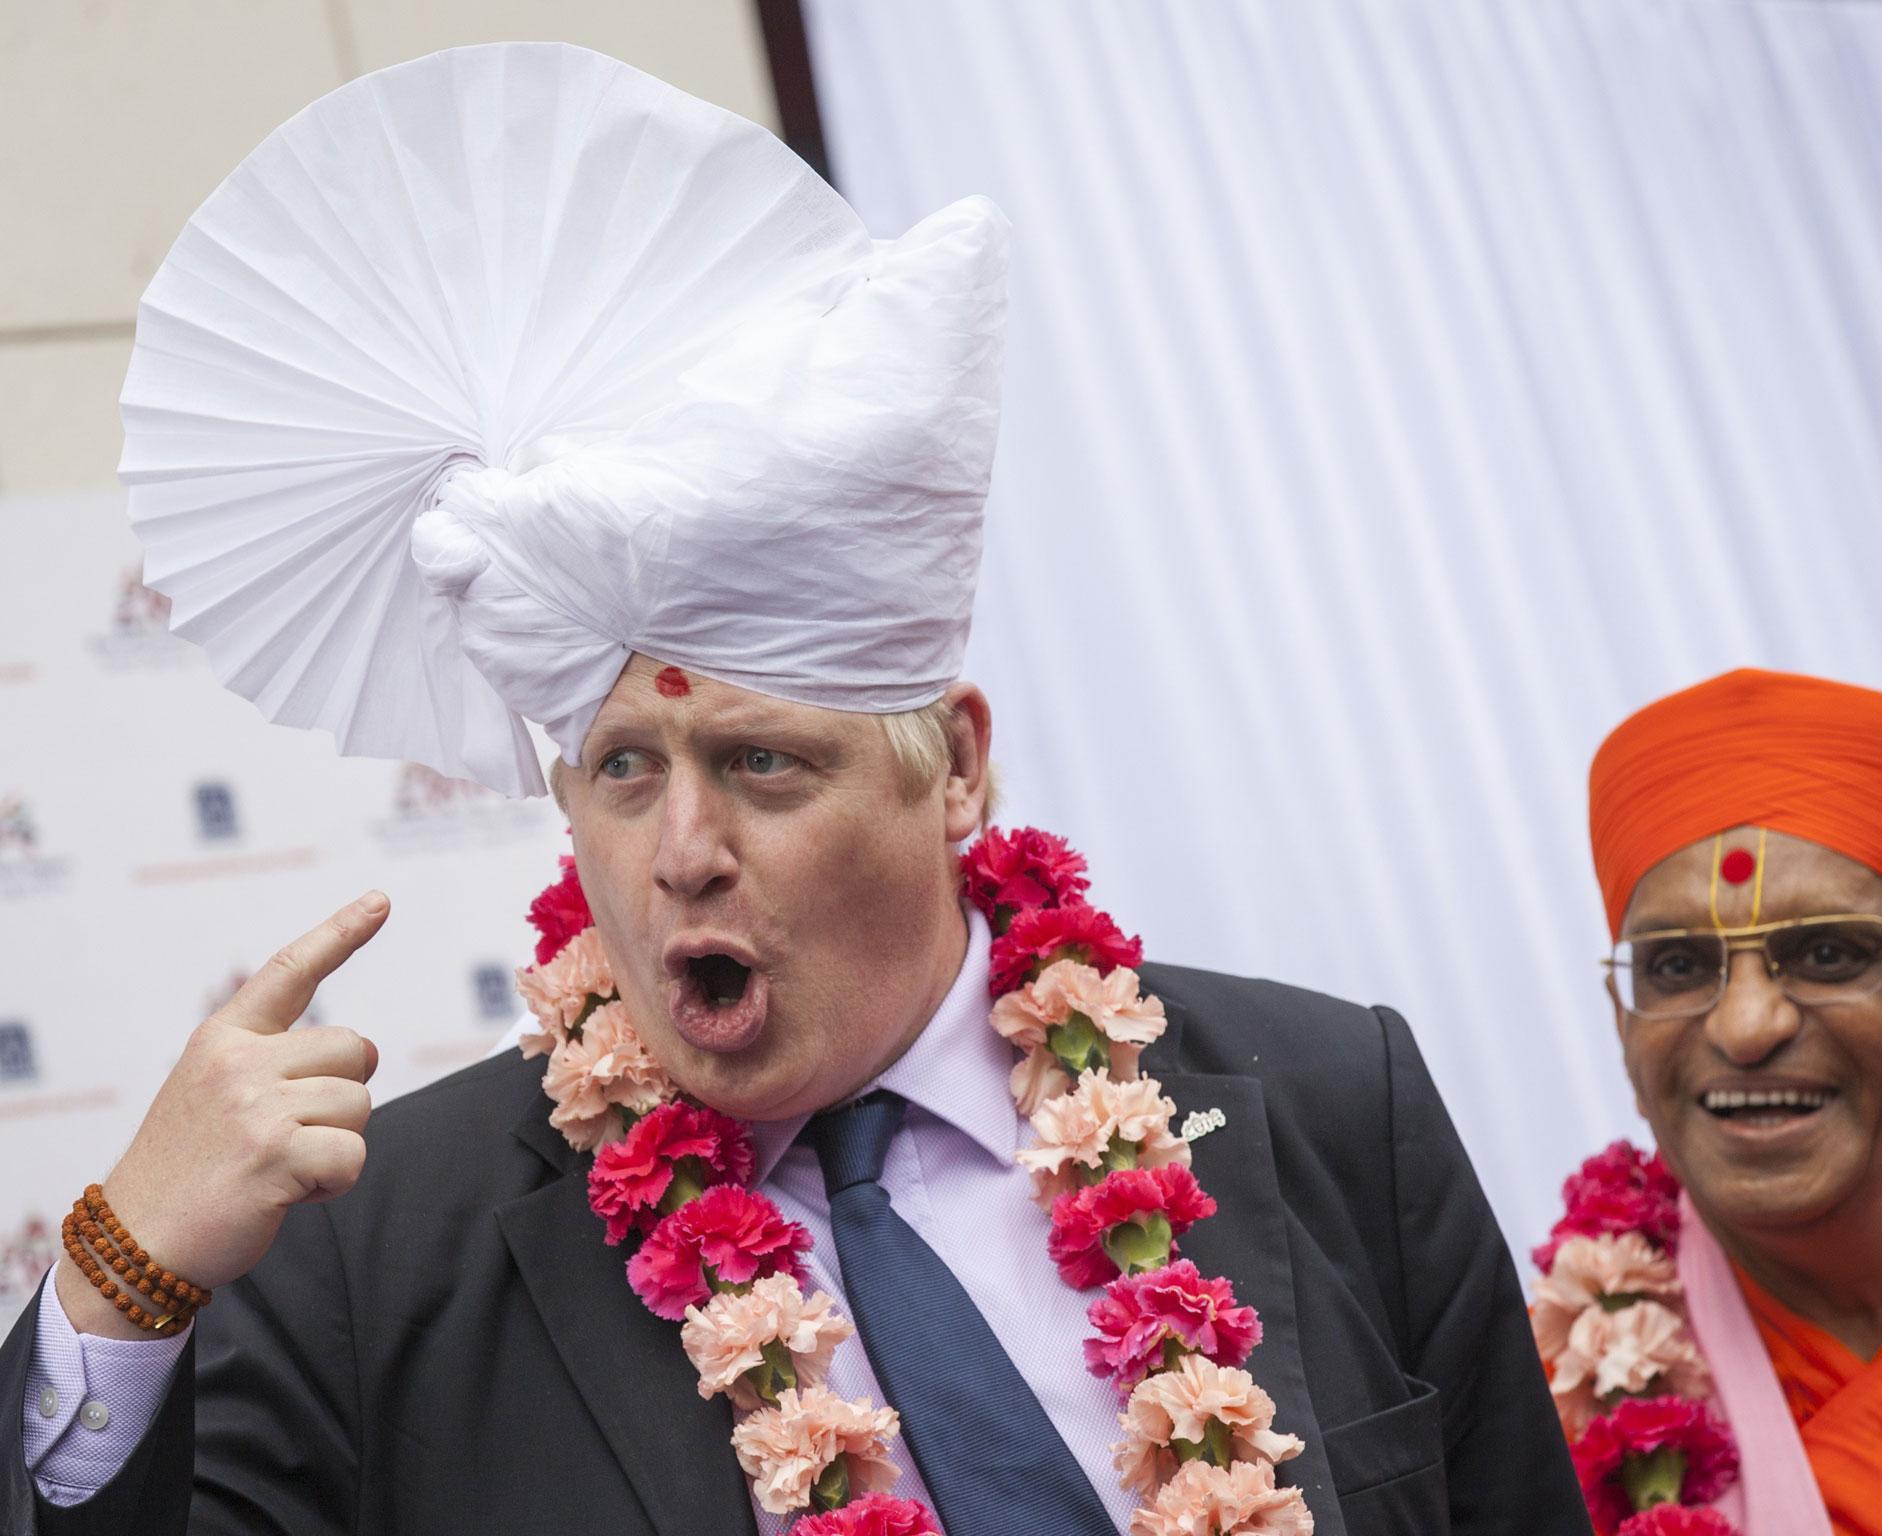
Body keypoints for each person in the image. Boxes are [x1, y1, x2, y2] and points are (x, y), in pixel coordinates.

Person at [3, 43, 1586, 1536]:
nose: (681, 851)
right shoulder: (371, 1247)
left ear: (955, 766)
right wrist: (115, 1293)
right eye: (622, 769)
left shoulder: (1322, 1101)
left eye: (762, 761)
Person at [1531, 667, 1882, 1534]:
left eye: (1828, 953)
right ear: (1627, 1027)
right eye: (1678, 967)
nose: (1745, 1025)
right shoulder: (1532, 1429)